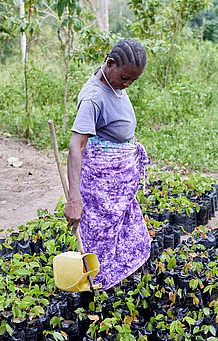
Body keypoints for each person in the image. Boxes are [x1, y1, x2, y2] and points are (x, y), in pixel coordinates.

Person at [63, 39, 151, 291]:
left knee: (121, 229)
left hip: (119, 179)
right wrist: (74, 199)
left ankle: (113, 277)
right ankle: (96, 284)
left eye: (132, 81)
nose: (127, 85)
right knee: (100, 234)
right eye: (124, 78)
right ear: (110, 64)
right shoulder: (93, 97)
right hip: (103, 179)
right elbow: (76, 146)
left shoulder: (112, 83)